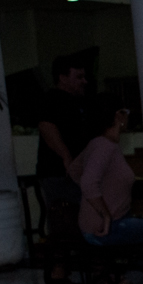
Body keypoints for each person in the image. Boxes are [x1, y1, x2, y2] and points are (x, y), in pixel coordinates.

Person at [68, 92, 143, 284]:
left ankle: (130, 283)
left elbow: (75, 171)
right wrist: (103, 212)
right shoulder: (103, 146)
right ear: (118, 116)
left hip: (106, 223)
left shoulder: (100, 145)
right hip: (104, 227)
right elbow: (87, 181)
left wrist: (101, 192)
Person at [36, 55, 90, 215]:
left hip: (71, 172)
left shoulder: (77, 101)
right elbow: (46, 127)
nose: (84, 81)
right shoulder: (52, 99)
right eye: (79, 77)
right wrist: (66, 157)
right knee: (67, 215)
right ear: (63, 78)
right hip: (59, 173)